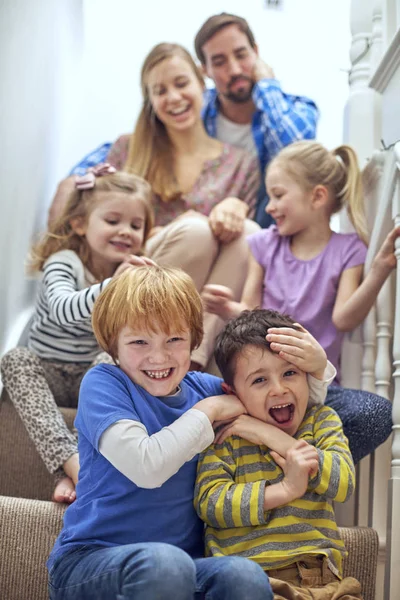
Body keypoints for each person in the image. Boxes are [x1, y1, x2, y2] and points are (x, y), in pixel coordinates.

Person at [47, 266, 333, 600]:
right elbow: (146, 466)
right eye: (139, 341)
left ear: (194, 340)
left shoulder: (207, 388)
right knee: (165, 565)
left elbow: (285, 405)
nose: (159, 356)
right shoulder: (104, 384)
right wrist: (209, 411)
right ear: (113, 345)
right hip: (91, 562)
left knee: (244, 575)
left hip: (184, 567)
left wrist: (319, 366)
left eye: (174, 339)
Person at [202, 140, 398, 463]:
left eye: (278, 195)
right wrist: (227, 310)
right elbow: (251, 312)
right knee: (202, 404)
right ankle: (269, 450)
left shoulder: (348, 250)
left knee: (376, 413)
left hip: (315, 390)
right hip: (258, 386)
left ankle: (299, 473)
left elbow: (344, 319)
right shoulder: (264, 245)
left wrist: (378, 272)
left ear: (317, 196)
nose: (269, 206)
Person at [49, 13, 318, 228]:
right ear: (206, 72)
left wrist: (267, 85)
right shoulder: (193, 109)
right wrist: (78, 180)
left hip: (267, 230)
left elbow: (297, 156)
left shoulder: (292, 109)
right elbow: (122, 154)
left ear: (256, 52)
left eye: (242, 55)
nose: (234, 69)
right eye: (220, 61)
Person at [0, 166, 154, 504]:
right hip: (49, 372)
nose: (125, 231)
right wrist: (113, 286)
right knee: (14, 359)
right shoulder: (63, 262)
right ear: (80, 224)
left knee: (113, 362)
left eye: (135, 225)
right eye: (112, 221)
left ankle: (77, 467)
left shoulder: (128, 274)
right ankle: (71, 466)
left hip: (90, 377)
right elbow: (61, 307)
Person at [195, 309, 362, 600]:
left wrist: (275, 438)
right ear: (232, 392)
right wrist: (284, 491)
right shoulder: (226, 436)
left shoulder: (321, 420)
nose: (279, 388)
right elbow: (210, 504)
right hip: (250, 580)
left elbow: (343, 482)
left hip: (321, 581)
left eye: (289, 373)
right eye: (259, 380)